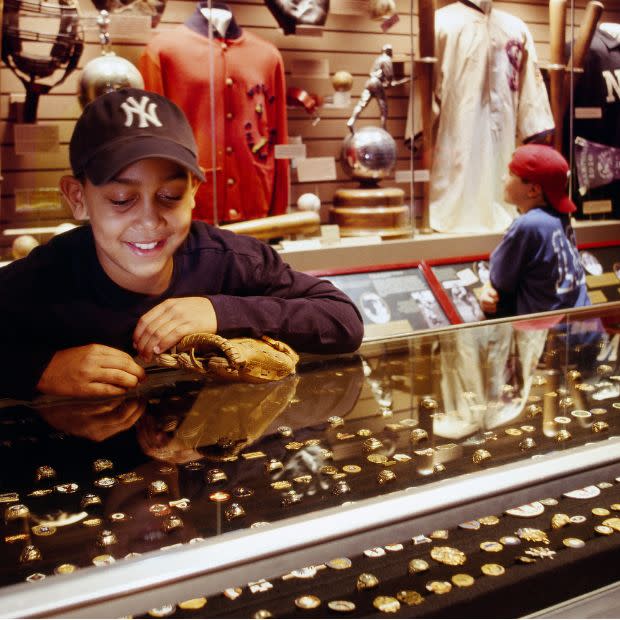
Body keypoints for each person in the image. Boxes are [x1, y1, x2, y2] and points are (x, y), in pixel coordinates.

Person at [0, 88, 364, 400]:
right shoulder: (48, 276)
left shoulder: (229, 259)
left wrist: (222, 311)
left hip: (211, 460)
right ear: (78, 197)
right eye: (122, 199)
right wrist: (42, 371)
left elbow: (343, 319)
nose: (148, 220)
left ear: (194, 193)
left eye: (170, 195)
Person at [480, 144, 590, 318]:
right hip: (591, 337)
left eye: (510, 174)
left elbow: (500, 280)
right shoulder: (561, 217)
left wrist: (487, 287)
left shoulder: (528, 225)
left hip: (556, 340)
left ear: (533, 190)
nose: (503, 178)